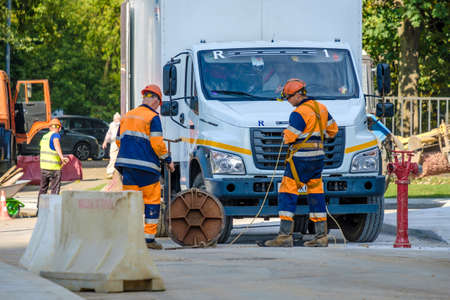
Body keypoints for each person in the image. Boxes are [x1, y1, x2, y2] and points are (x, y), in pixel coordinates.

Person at [258, 79, 338, 247]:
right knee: (316, 194)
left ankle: (284, 236)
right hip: (318, 159)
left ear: (297, 95)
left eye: (288, 98)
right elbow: (333, 131)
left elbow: (290, 137)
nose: (288, 102)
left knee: (287, 192)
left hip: (301, 159)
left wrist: (285, 134)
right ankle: (321, 236)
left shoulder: (299, 113)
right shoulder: (321, 108)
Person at [115, 84, 175, 250]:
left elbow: (118, 140)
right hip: (146, 167)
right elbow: (157, 143)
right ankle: (149, 239)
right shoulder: (152, 117)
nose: (158, 107)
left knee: (131, 201)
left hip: (127, 167)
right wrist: (168, 160)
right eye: (159, 103)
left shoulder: (128, 116)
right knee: (152, 201)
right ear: (155, 100)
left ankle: (130, 238)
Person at [38, 118, 69, 214]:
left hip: (44, 167)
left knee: (43, 189)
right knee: (55, 189)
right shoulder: (55, 135)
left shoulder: (44, 137)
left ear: (49, 127)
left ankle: (40, 209)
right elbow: (56, 144)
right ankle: (52, 210)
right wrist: (62, 157)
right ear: (59, 128)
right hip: (54, 168)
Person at [102, 112, 121, 179]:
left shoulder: (121, 124)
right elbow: (108, 134)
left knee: (118, 158)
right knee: (113, 157)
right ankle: (110, 172)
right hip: (114, 142)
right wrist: (105, 142)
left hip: (120, 142)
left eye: (117, 119)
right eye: (115, 119)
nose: (116, 120)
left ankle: (116, 172)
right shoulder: (112, 125)